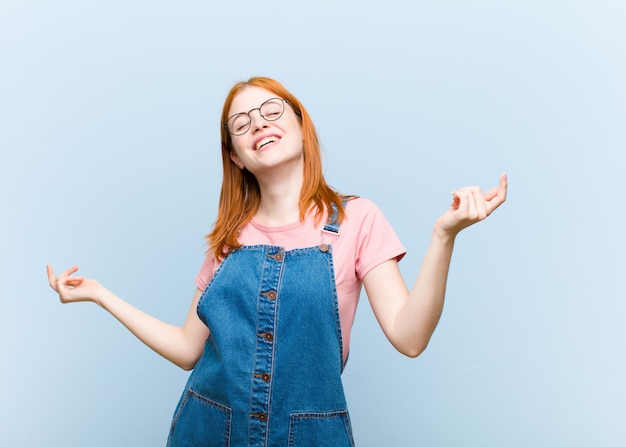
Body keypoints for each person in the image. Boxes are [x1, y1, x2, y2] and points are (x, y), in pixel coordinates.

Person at [47, 76, 507, 447]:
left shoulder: (357, 219)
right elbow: (189, 349)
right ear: (236, 156)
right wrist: (99, 294)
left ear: (300, 126)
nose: (258, 124)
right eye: (241, 123)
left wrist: (443, 236)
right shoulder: (227, 240)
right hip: (207, 432)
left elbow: (410, 337)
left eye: (271, 111)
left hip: (309, 436)